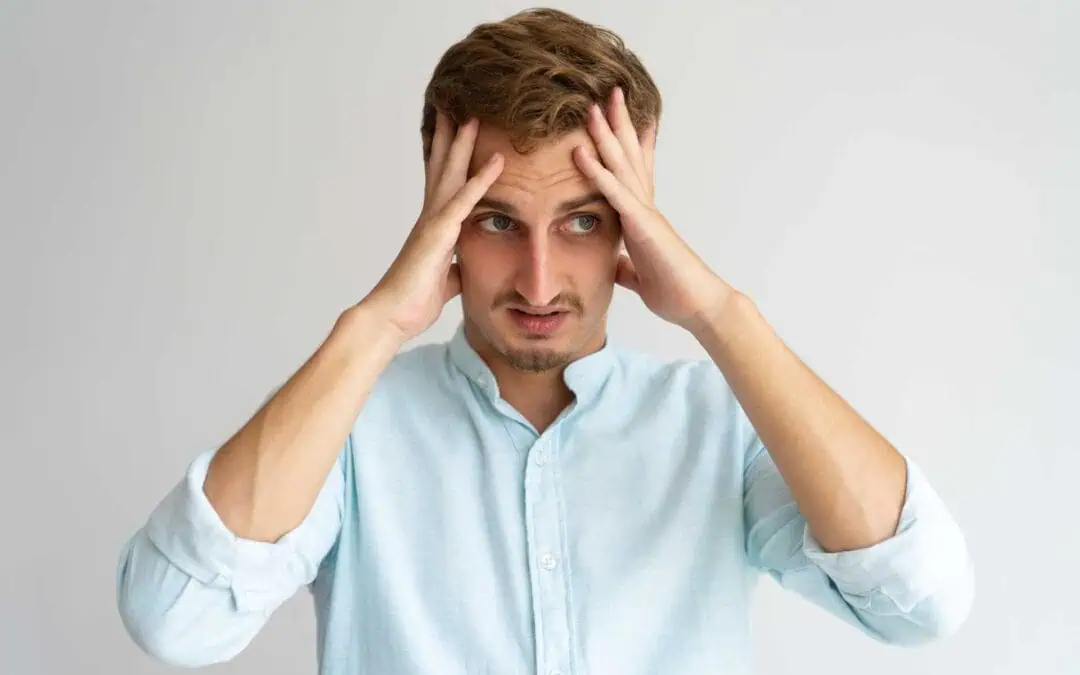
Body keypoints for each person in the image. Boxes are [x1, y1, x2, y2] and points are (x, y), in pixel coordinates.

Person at [116, 8, 974, 674]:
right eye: (497, 220)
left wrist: (720, 313)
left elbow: (920, 599)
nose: (537, 281)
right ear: (442, 218)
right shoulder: (349, 429)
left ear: (633, 222)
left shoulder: (719, 424)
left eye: (581, 221)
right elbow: (173, 618)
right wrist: (375, 323)